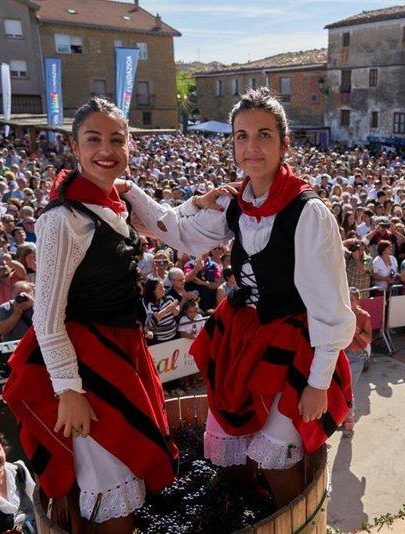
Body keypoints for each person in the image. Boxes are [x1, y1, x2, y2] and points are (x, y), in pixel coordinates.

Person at [120, 88, 354, 508]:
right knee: (229, 444)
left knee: (279, 457)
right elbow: (180, 234)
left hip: (295, 344)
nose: (251, 147)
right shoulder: (235, 202)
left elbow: (331, 309)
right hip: (243, 337)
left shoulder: (308, 212)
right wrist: (130, 190)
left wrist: (318, 383)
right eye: (241, 136)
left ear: (285, 144)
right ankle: (255, 512)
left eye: (264, 135)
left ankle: (293, 519)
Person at [2, 97, 180, 533]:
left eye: (116, 140)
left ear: (130, 147)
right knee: (110, 480)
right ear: (76, 149)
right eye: (94, 139)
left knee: (123, 474)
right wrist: (68, 390)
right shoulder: (62, 219)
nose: (107, 149)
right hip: (87, 365)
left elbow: (167, 224)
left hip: (119, 352)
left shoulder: (111, 202)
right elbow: (45, 317)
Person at [342, 287, 372, 438]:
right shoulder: (341, 313)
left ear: (357, 300)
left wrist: (357, 331)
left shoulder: (364, 316)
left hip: (356, 356)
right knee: (339, 389)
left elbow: (368, 340)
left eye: (351, 299)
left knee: (348, 390)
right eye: (346, 298)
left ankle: (349, 421)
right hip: (340, 354)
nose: (348, 302)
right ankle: (341, 417)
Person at [142, 278, 180, 344]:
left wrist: (175, 309)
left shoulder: (169, 298)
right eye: (160, 288)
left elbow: (176, 314)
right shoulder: (147, 303)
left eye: (163, 287)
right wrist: (168, 308)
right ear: (153, 291)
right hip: (159, 341)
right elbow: (151, 323)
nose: (164, 290)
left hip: (174, 336)